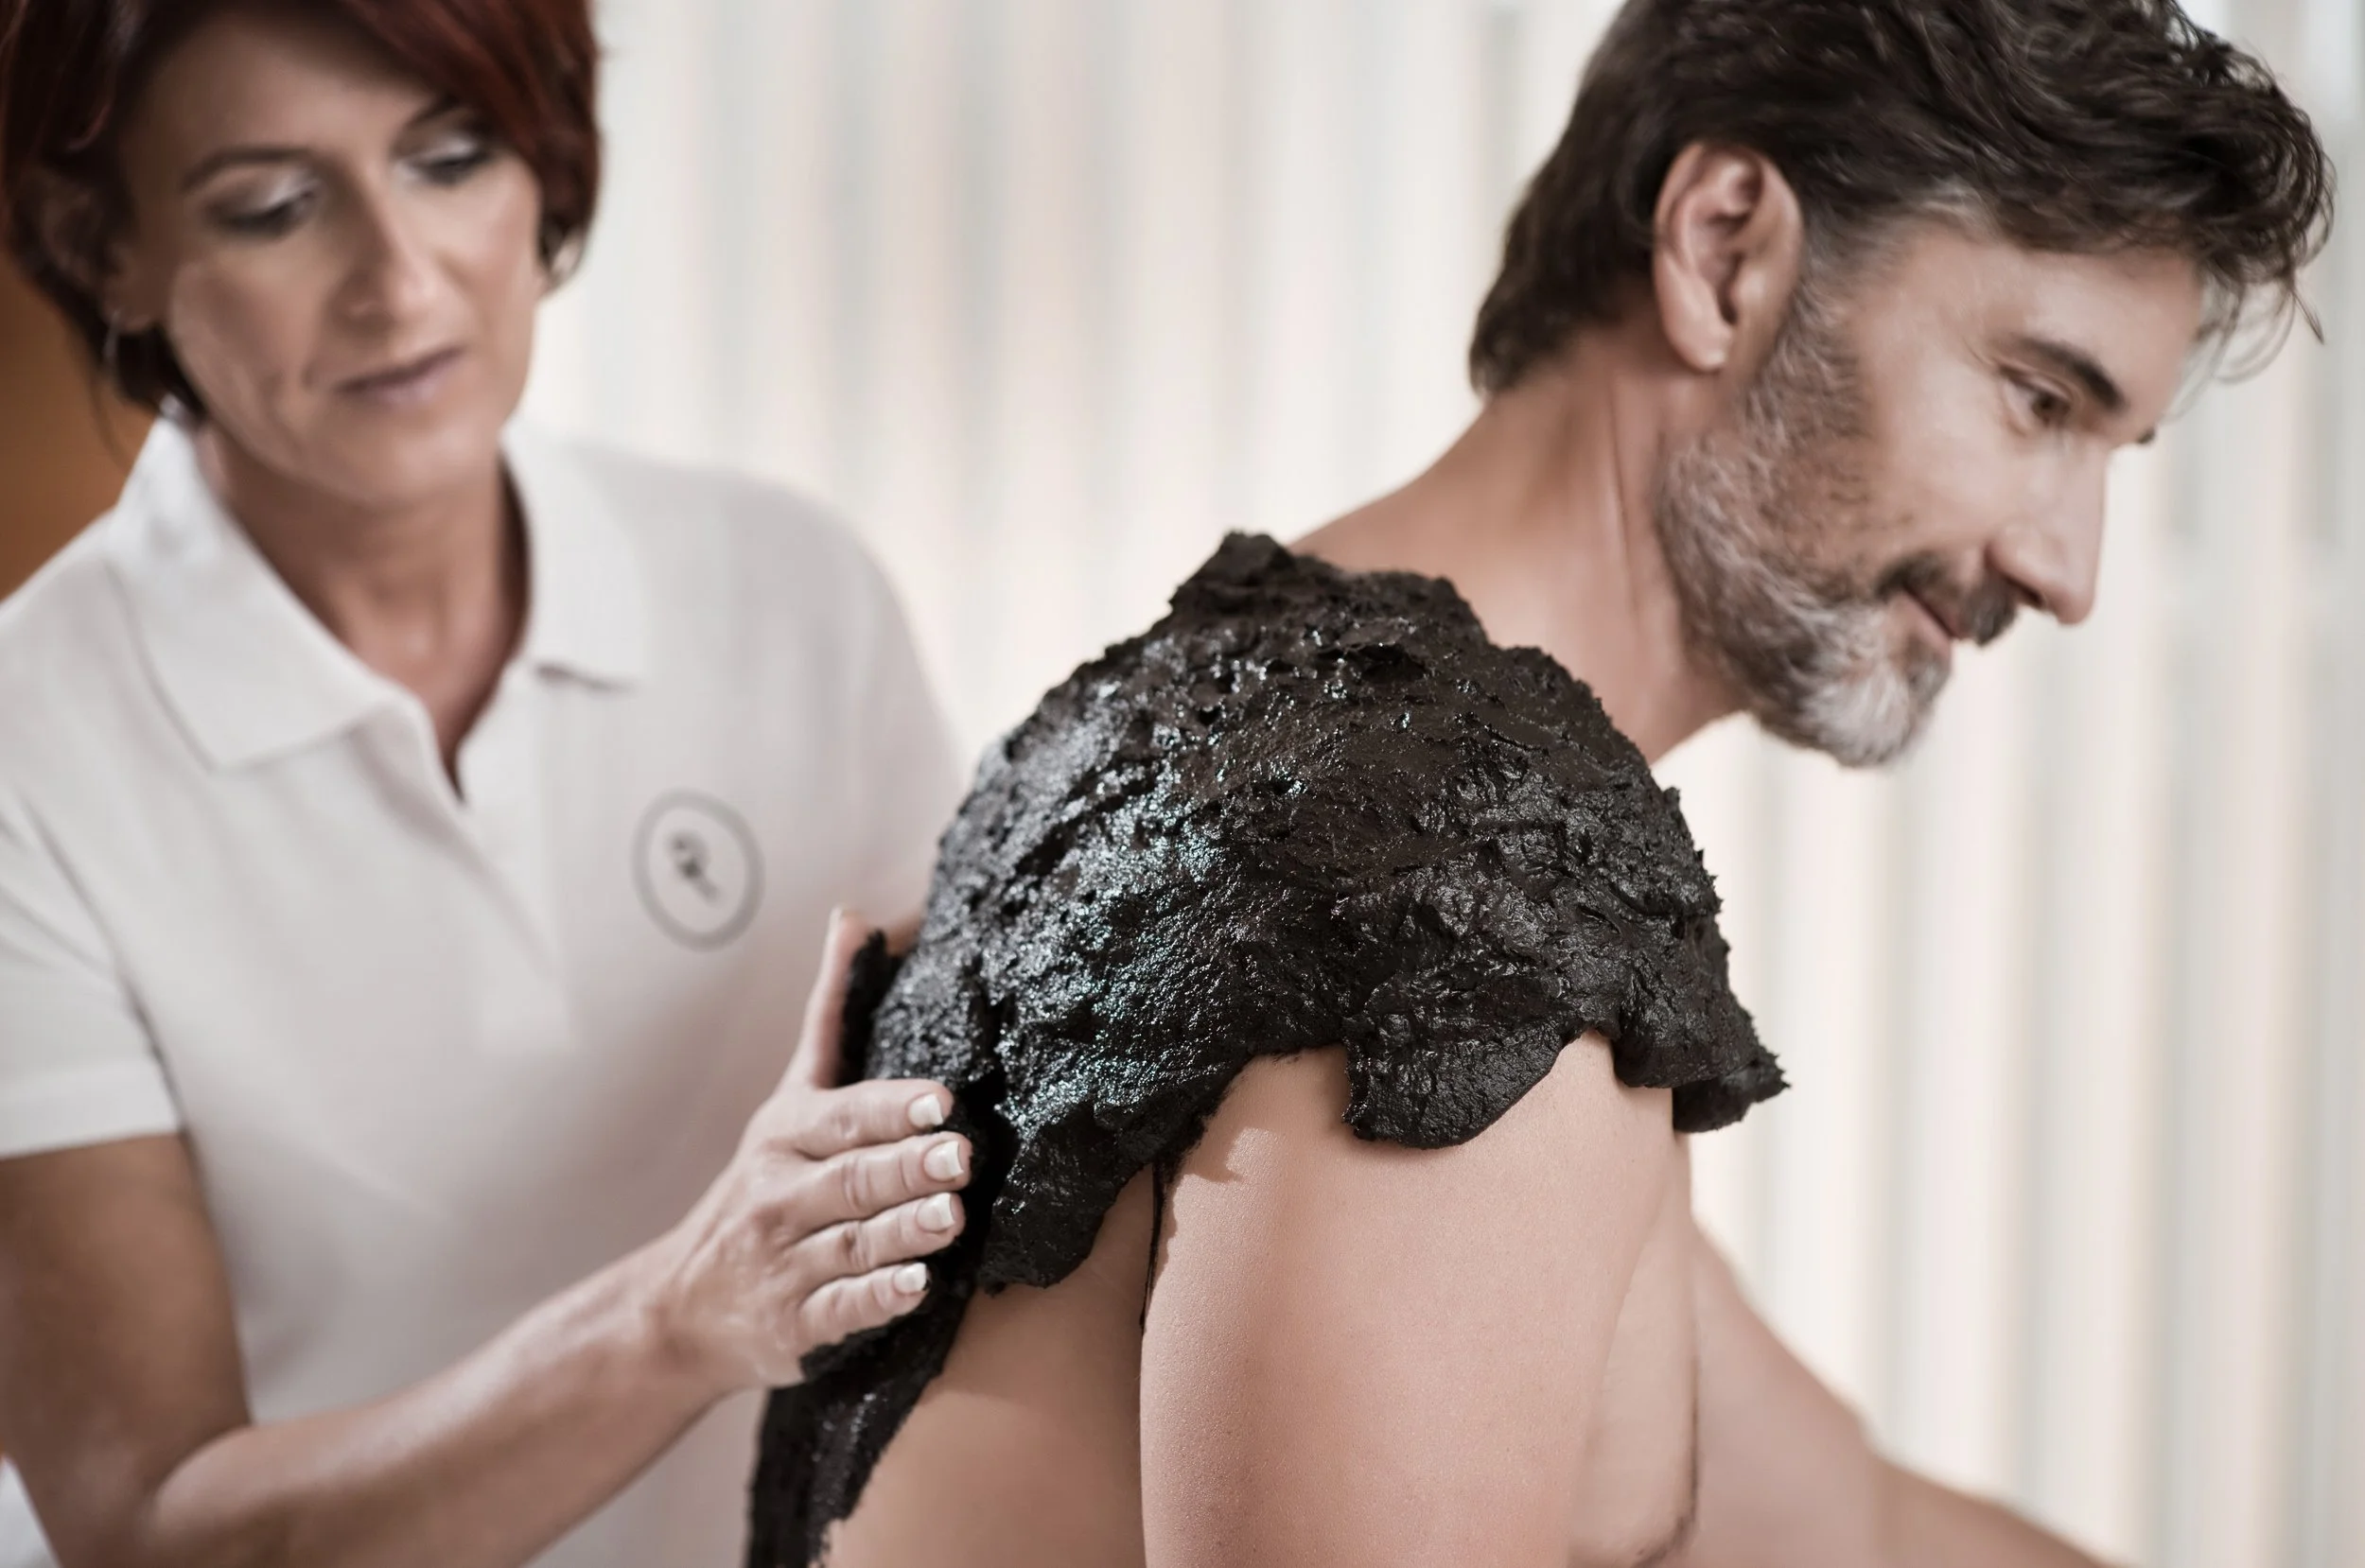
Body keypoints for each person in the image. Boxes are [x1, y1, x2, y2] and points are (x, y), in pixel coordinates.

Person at [753, 1, 2335, 1565]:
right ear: (1725, 251)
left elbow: (1839, 1527)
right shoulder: (1451, 916)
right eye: (2040, 400)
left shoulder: (1212, 729)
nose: (2069, 571)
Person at [0, 4, 977, 1565]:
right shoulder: (31, 752)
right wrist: (679, 1316)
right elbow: (151, 1525)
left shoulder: (794, 598)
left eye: (450, 161)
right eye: (274, 206)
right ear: (100, 246)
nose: (399, 282)